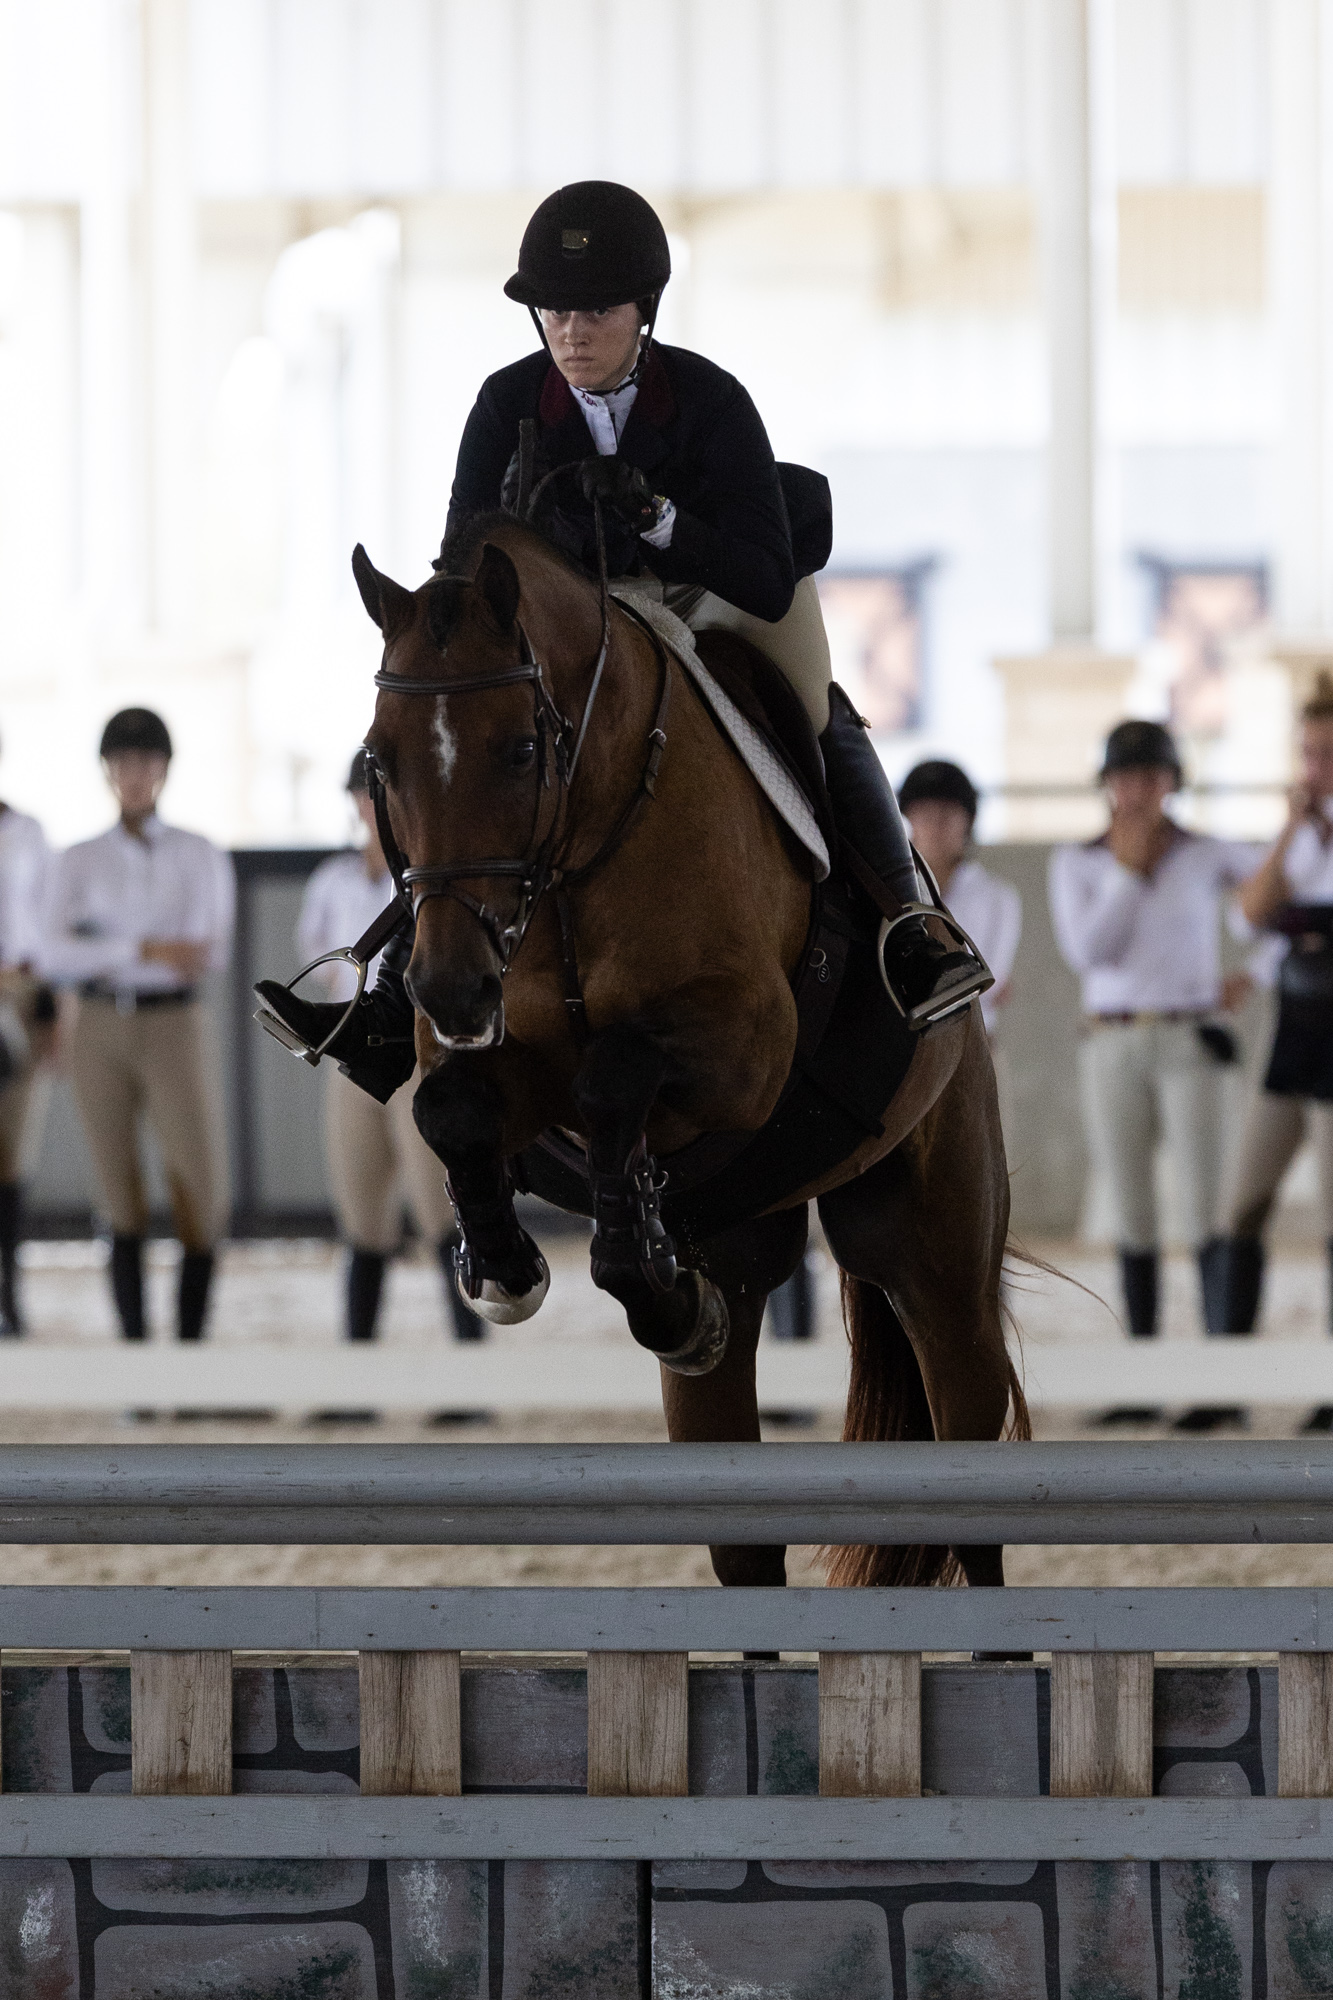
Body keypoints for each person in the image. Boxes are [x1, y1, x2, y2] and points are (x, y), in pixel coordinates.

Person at [258, 180, 990, 1109]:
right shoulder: (503, 404)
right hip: (575, 625)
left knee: (812, 708)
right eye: (555, 312)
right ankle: (394, 978)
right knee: (470, 745)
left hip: (715, 596)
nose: (571, 331)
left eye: (595, 311)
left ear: (643, 310)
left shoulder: (712, 400)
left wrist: (656, 518)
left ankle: (907, 928)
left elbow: (762, 572)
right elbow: (459, 562)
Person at [1049, 721, 1256, 1375]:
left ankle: (1217, 1377)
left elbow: (1279, 897)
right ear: (1107, 786)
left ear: (1171, 783)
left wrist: (1260, 971)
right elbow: (1088, 952)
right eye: (1126, 777)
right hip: (1111, 1040)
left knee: (1204, 1204)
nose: (1139, 791)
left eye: (1152, 777)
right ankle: (1140, 1369)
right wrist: (1127, 871)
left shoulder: (1206, 852)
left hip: (1187, 1036)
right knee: (1130, 1206)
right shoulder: (1076, 862)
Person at [42, 709, 233, 1342]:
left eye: (146, 762)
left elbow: (207, 950)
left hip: (172, 1024)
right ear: (107, 771)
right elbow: (53, 952)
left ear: (164, 771)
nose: (135, 775)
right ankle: (136, 1361)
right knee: (116, 1184)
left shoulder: (197, 852)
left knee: (197, 1184)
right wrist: (143, 950)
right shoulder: (79, 858)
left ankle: (190, 1348)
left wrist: (106, 943)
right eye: (124, 762)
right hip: (99, 1021)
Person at [297, 752, 483, 1345]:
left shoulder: (430, 883)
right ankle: (358, 1367)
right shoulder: (332, 881)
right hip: (354, 1052)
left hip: (416, 1052)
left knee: (440, 1212)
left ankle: (471, 1363)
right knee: (360, 1211)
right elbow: (319, 962)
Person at [1209, 671, 1333, 1362]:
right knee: (1242, 1200)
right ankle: (1227, 1372)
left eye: (1326, 753)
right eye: (1307, 753)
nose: (1315, 768)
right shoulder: (1296, 837)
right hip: (1293, 1029)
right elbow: (1251, 913)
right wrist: (1291, 828)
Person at [899, 760, 1021, 1039]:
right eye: (924, 814)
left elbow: (988, 980)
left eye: (946, 814)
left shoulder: (997, 896)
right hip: (907, 1046)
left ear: (968, 822)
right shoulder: (892, 894)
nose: (935, 826)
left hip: (974, 1040)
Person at [0, 778, 55, 1336]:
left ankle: (8, 1293)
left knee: (11, 1152)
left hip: (15, 990)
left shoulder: (28, 834)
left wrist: (53, 1007)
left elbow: (48, 923)